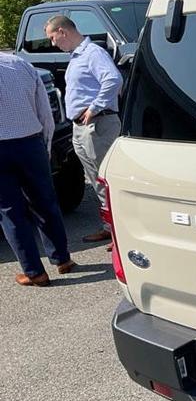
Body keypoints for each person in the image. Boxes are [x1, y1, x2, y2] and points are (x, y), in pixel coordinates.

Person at [44, 15, 122, 250]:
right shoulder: (78, 56)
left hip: (98, 125)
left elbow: (113, 79)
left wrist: (95, 108)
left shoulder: (92, 53)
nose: (52, 43)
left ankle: (121, 234)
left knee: (107, 180)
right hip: (82, 127)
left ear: (63, 31)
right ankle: (110, 228)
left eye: (52, 37)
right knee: (97, 181)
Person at [0, 52, 76, 286]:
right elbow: (45, 110)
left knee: (11, 212)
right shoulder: (19, 63)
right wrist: (46, 143)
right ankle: (62, 259)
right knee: (45, 201)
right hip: (30, 143)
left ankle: (35, 272)